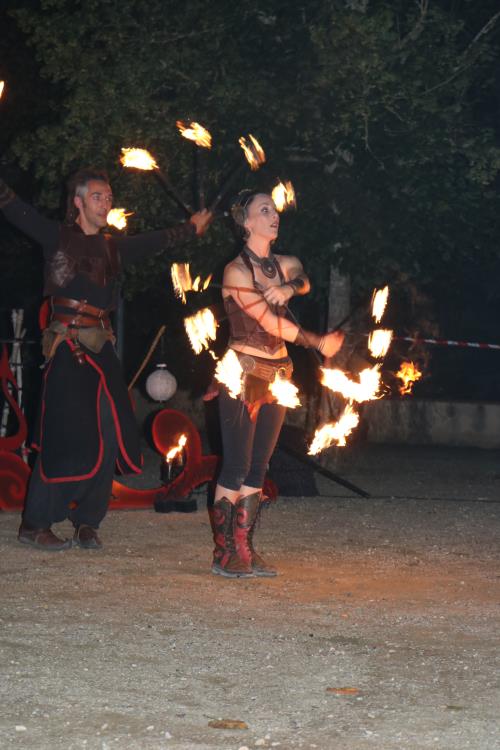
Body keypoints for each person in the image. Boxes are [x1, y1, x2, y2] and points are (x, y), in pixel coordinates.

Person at [0, 168, 212, 550]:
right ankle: (35, 524)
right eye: (97, 196)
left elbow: (155, 241)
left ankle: (88, 521)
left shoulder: (114, 247)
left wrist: (190, 229)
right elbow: (14, 207)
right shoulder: (57, 237)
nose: (106, 202)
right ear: (78, 202)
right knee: (63, 438)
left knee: (110, 434)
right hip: (68, 351)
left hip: (103, 352)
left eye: (109, 196)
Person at [211, 190, 344, 578]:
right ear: (246, 222)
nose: (274, 215)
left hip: (279, 376)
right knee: (235, 466)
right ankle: (222, 554)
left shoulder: (284, 263)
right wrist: (317, 341)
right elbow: (271, 325)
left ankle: (244, 550)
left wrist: (288, 287)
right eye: (263, 210)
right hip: (244, 374)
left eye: (275, 209)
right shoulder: (235, 272)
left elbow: (302, 277)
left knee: (258, 467)